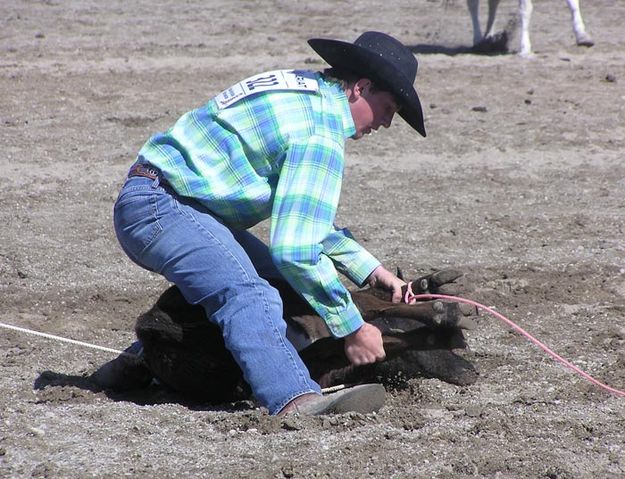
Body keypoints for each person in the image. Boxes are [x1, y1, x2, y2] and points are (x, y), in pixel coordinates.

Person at [93, 31, 427, 416]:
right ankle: (293, 398)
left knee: (270, 280)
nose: (386, 123)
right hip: (165, 205)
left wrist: (373, 271)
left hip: (160, 196)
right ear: (361, 88)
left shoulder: (304, 92)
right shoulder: (320, 132)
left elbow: (304, 219)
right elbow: (297, 250)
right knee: (251, 293)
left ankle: (139, 361)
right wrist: (352, 327)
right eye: (388, 108)